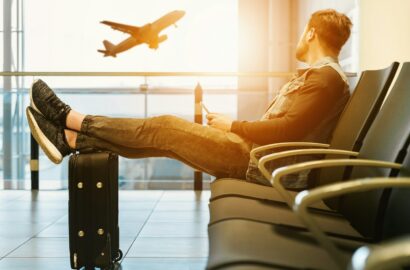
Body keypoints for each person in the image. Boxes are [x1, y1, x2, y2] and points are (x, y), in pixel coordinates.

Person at [26, 9, 352, 189]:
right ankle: (71, 139)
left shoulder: (324, 78)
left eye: (302, 33)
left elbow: (288, 130)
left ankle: (70, 119)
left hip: (260, 164)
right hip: (257, 157)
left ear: (310, 33)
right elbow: (287, 128)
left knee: (165, 127)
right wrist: (234, 127)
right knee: (166, 141)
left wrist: (234, 125)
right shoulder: (321, 77)